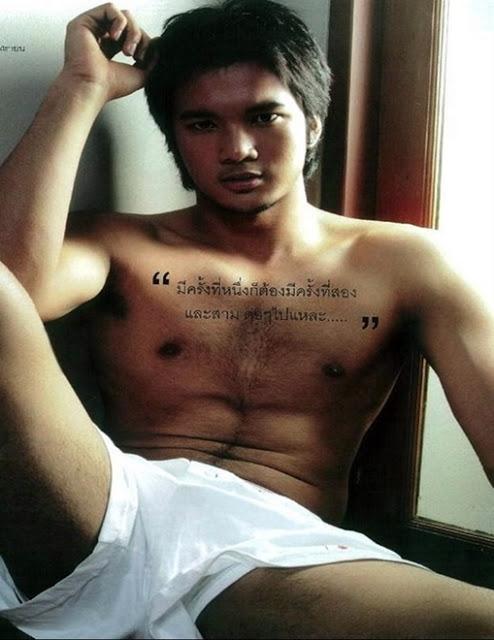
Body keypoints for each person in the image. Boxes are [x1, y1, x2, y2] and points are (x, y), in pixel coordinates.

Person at [0, 1, 493, 637]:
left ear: (312, 123)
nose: (237, 149)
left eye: (264, 117)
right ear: (176, 140)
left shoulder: (407, 263)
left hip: (280, 556)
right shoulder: (121, 246)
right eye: (202, 124)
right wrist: (80, 88)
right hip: (109, 520)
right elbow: (11, 292)